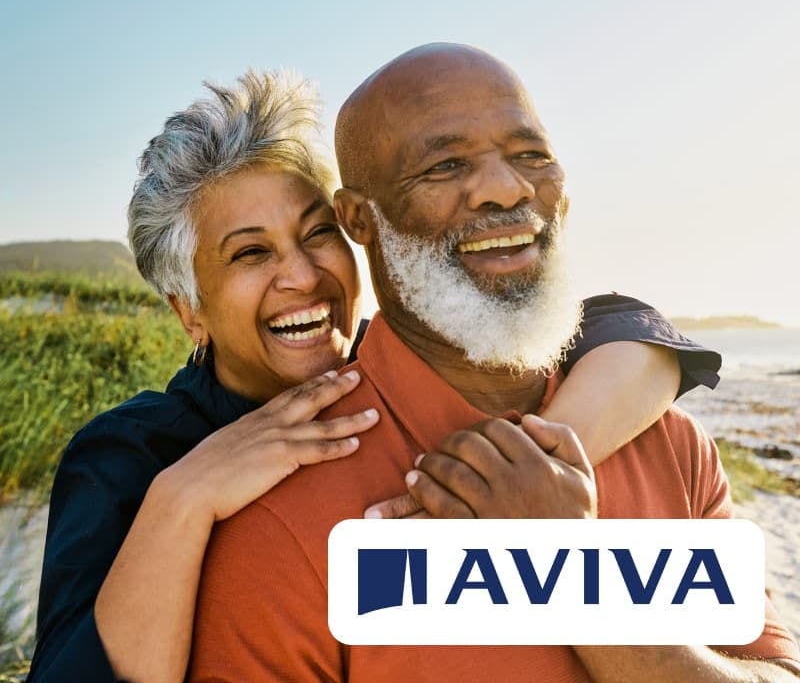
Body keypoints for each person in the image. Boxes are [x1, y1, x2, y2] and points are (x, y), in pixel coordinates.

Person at [30, 70, 719, 683]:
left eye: (317, 233)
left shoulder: (408, 361)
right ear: (190, 313)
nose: (302, 276)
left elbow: (623, 326)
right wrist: (183, 497)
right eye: (249, 254)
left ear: (358, 228)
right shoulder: (131, 456)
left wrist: (533, 466)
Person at [189, 46, 800, 683]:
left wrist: (566, 571)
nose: (508, 189)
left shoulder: (673, 447)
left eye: (531, 155)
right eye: (446, 164)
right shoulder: (280, 520)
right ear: (358, 220)